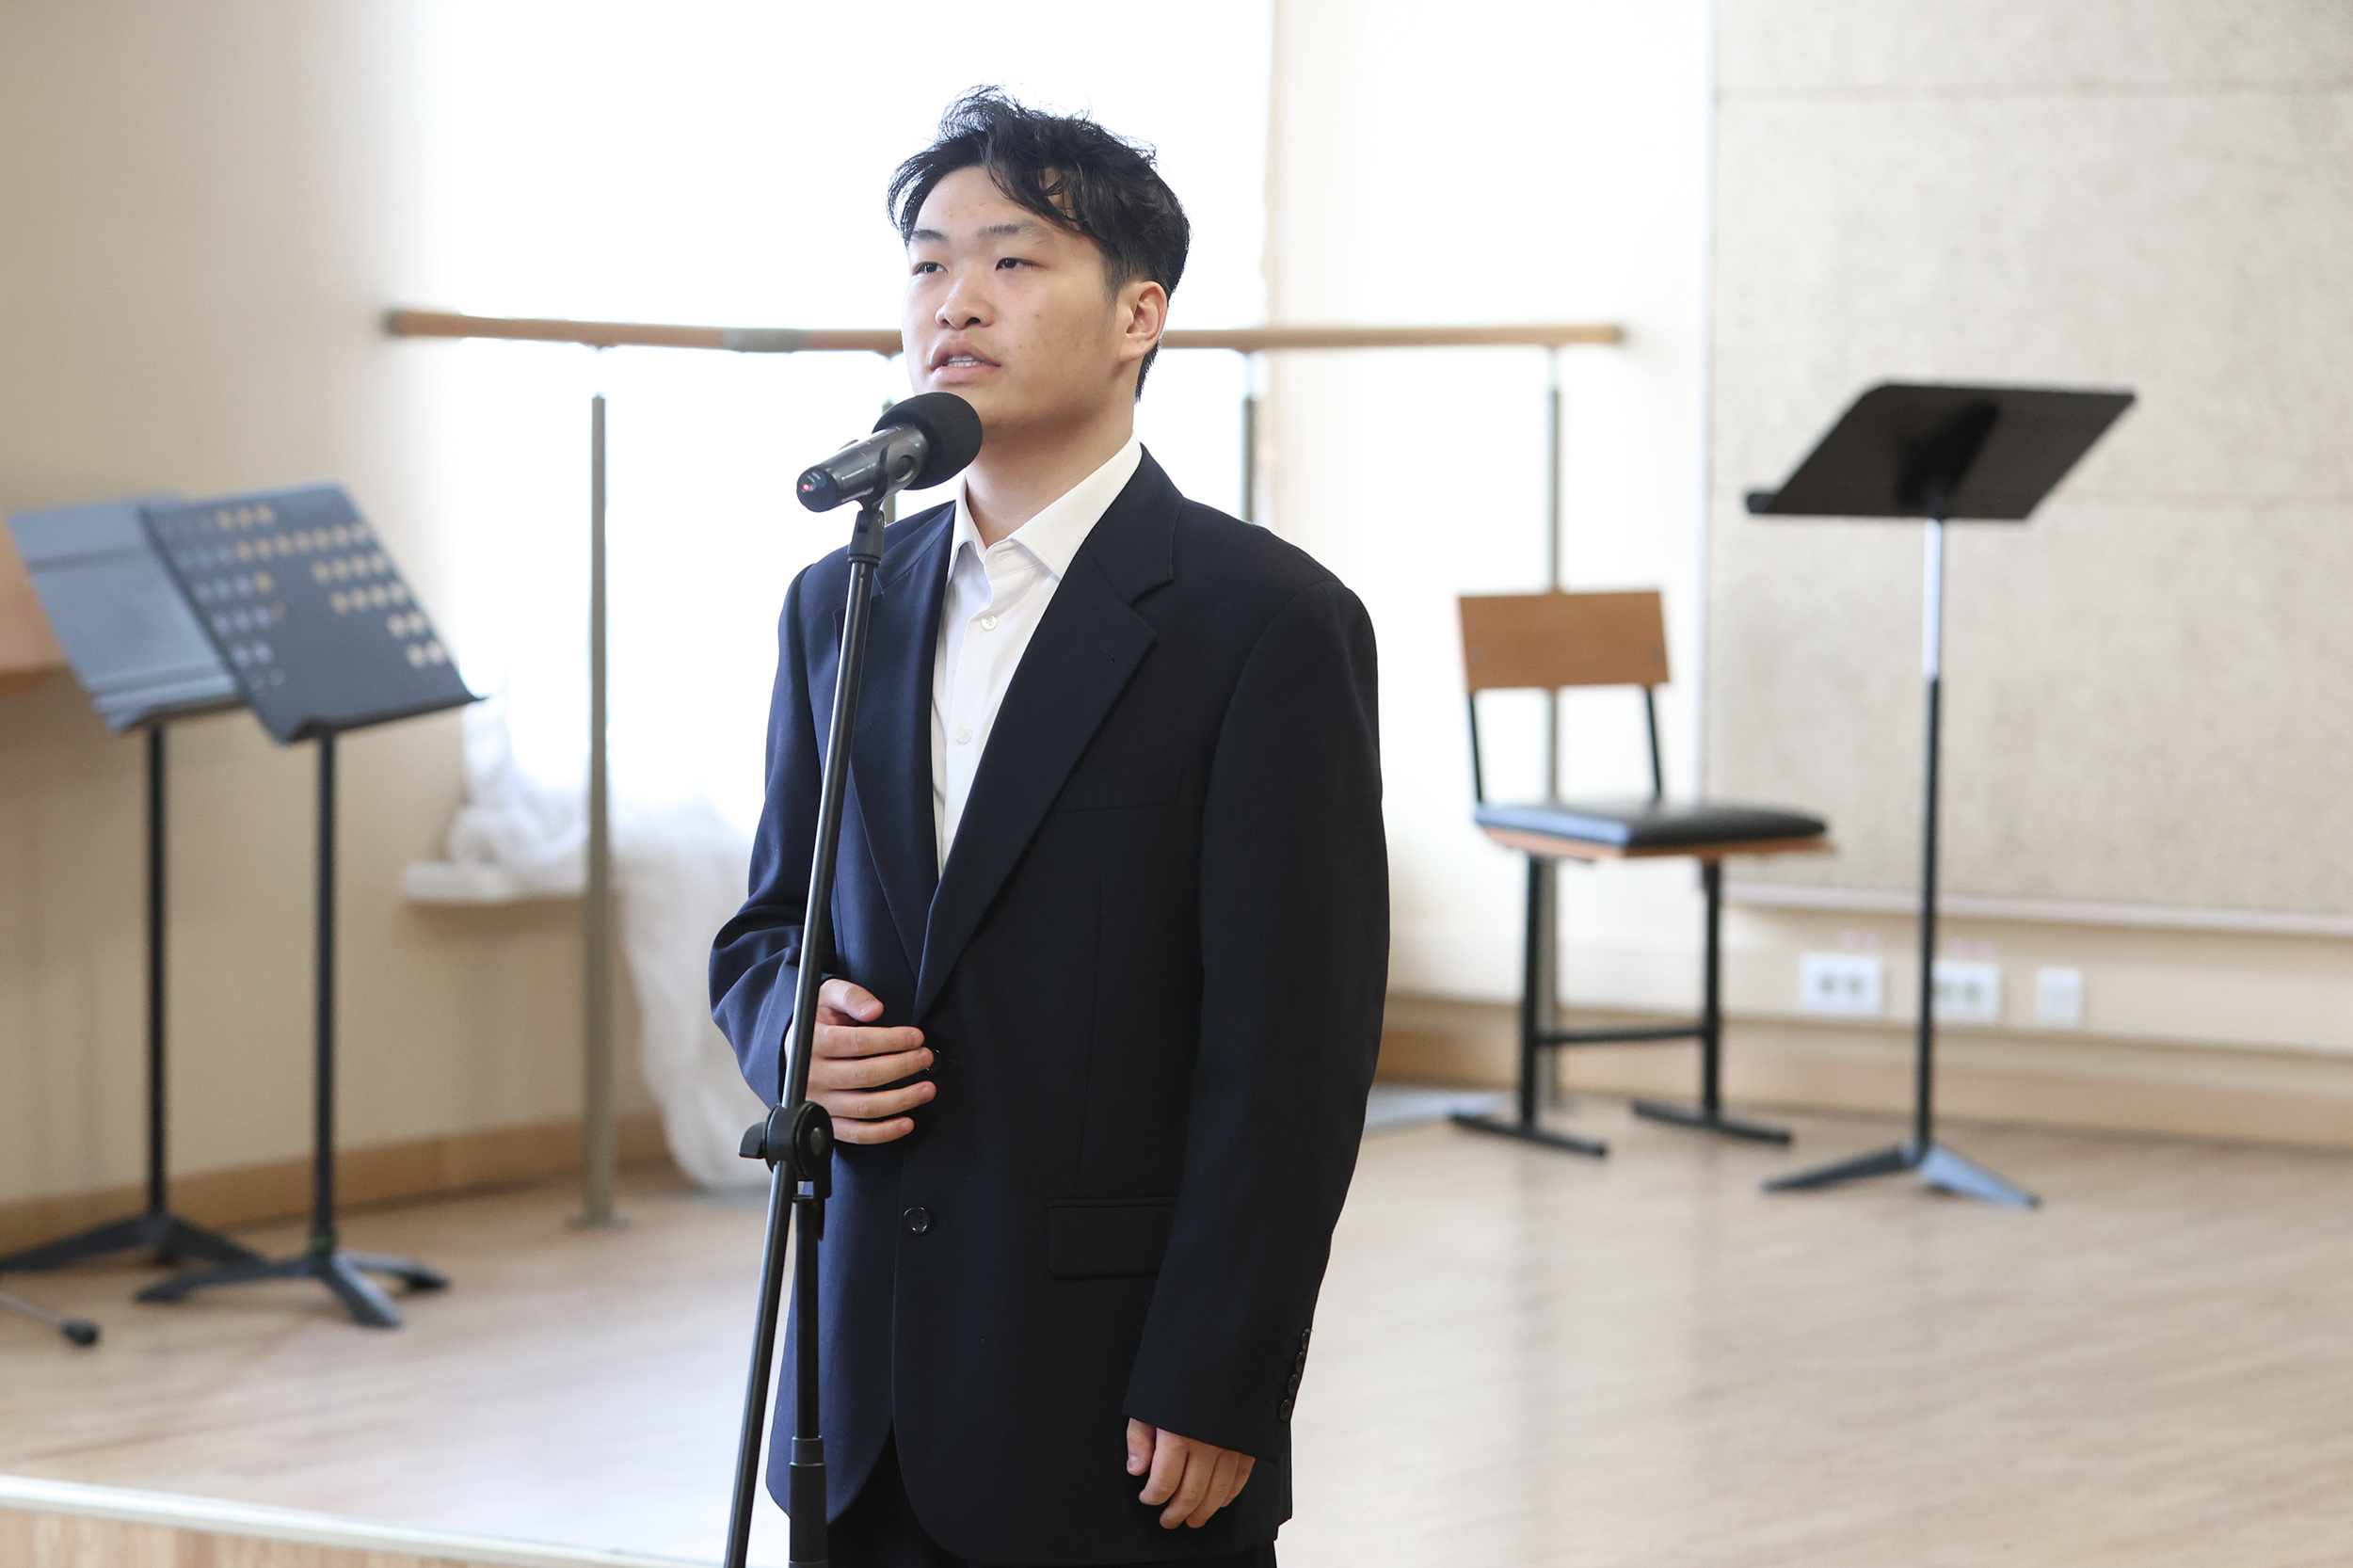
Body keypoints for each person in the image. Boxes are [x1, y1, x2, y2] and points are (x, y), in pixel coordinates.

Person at [712, 88, 1386, 1568]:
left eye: (1013, 261)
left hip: (1116, 1397)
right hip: (856, 1386)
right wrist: (787, 1033)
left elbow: (1293, 1048)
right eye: (927, 262)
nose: (955, 300)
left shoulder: (1265, 622)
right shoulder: (841, 599)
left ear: (1140, 314)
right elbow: (769, 926)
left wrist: (1223, 1370)